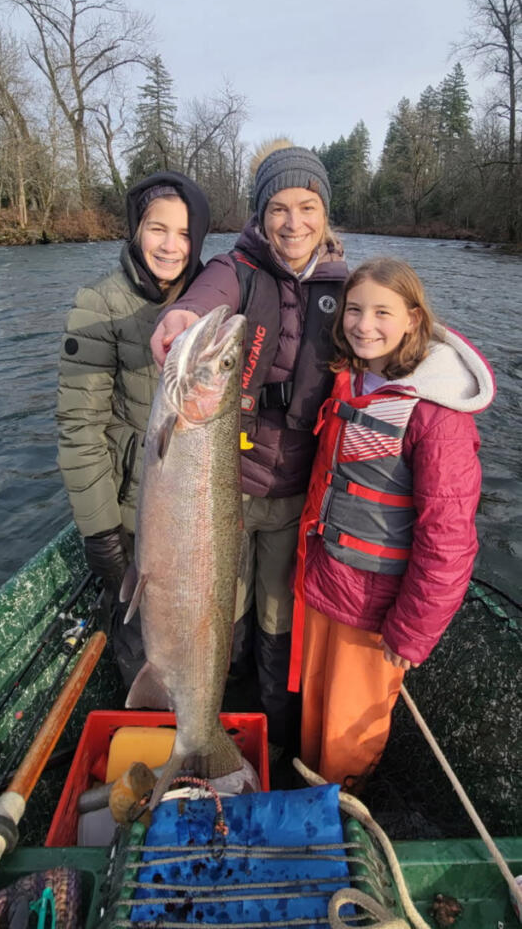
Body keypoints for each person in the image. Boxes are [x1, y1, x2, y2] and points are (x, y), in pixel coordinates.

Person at [150, 141, 349, 752]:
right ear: (260, 215)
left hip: (297, 496)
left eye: (308, 207)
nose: (294, 223)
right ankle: (215, 718)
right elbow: (205, 297)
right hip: (224, 492)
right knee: (219, 614)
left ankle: (274, 729)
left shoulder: (348, 286)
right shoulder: (236, 268)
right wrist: (183, 317)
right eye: (279, 208)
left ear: (324, 213)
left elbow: (393, 335)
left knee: (277, 616)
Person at [287, 257, 496, 789]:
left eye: (383, 311)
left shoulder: (437, 415)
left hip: (377, 611)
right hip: (326, 582)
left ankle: (346, 818)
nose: (364, 324)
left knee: (349, 734)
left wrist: (411, 632)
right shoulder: (351, 378)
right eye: (354, 310)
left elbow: (448, 541)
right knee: (315, 713)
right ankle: (310, 793)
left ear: (413, 318)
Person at [56, 171, 210, 687]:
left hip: (199, 518)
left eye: (185, 234)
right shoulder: (98, 304)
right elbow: (80, 428)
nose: (170, 246)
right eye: (156, 229)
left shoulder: (211, 303)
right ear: (135, 231)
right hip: (131, 515)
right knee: (139, 646)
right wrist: (100, 531)